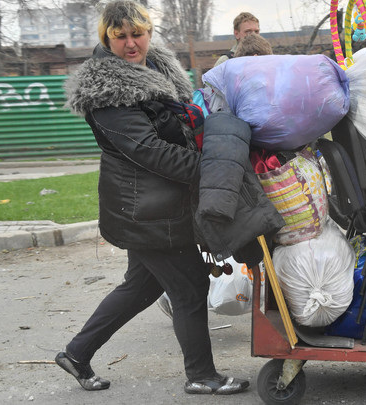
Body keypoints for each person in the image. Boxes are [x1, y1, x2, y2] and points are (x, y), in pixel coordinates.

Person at [55, 0, 249, 395]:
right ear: (106, 38)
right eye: (120, 36)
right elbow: (149, 151)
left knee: (142, 286)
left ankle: (76, 353)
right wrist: (214, 169)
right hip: (145, 211)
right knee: (191, 287)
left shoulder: (156, 68)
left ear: (148, 32)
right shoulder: (108, 91)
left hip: (158, 204)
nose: (130, 43)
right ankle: (202, 375)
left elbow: (181, 122)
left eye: (137, 33)